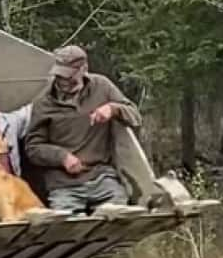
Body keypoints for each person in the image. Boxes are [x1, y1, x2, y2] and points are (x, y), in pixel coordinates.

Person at [24, 44, 143, 213]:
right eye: (59, 75)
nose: (63, 80)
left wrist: (112, 109)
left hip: (101, 177)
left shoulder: (102, 86)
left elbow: (135, 116)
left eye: (68, 75)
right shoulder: (43, 103)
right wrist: (62, 157)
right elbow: (33, 148)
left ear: (83, 69)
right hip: (63, 185)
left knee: (120, 216)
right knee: (65, 227)